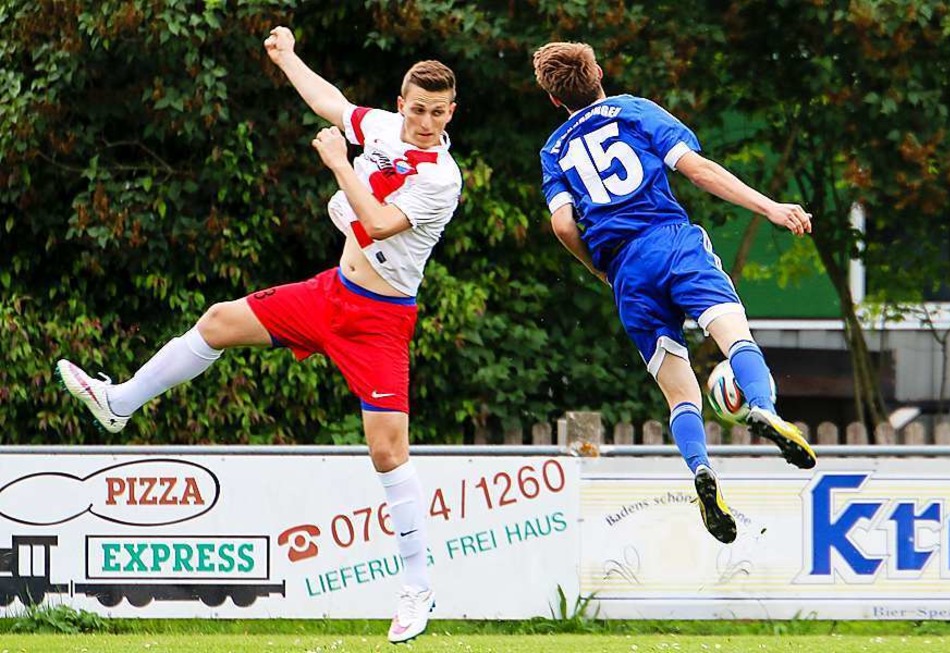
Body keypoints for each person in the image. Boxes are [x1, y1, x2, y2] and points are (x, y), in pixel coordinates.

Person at [56, 26, 460, 643]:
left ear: (450, 112)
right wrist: (289, 57)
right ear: (401, 103)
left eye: (438, 112)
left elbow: (375, 224)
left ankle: (416, 586)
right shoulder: (380, 124)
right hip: (332, 293)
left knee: (386, 452)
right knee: (217, 321)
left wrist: (335, 163)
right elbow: (332, 104)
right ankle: (118, 404)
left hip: (380, 320)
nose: (426, 121)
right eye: (417, 108)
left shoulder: (442, 178)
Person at [532, 42, 816, 544]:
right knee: (733, 335)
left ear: (555, 101)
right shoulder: (636, 110)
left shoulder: (553, 150)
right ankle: (763, 407)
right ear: (599, 72)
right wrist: (770, 207)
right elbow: (697, 170)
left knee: (679, 390)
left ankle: (702, 471)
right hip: (672, 241)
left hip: (625, 270)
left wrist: (602, 271)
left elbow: (561, 225)